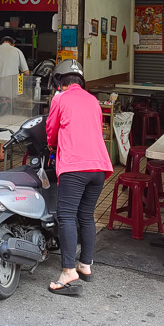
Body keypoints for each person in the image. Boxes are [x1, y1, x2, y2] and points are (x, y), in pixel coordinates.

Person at [45, 59, 113, 296]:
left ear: (59, 82)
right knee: (86, 215)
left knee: (66, 216)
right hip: (99, 167)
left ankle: (67, 271)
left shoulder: (60, 99)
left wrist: (52, 147)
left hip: (75, 166)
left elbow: (51, 130)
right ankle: (85, 265)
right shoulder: (93, 100)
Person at [0, 36, 30, 159]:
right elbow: (26, 72)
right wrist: (19, 86)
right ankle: (2, 153)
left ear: (1, 43)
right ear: (12, 44)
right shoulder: (17, 52)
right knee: (4, 121)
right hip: (7, 93)